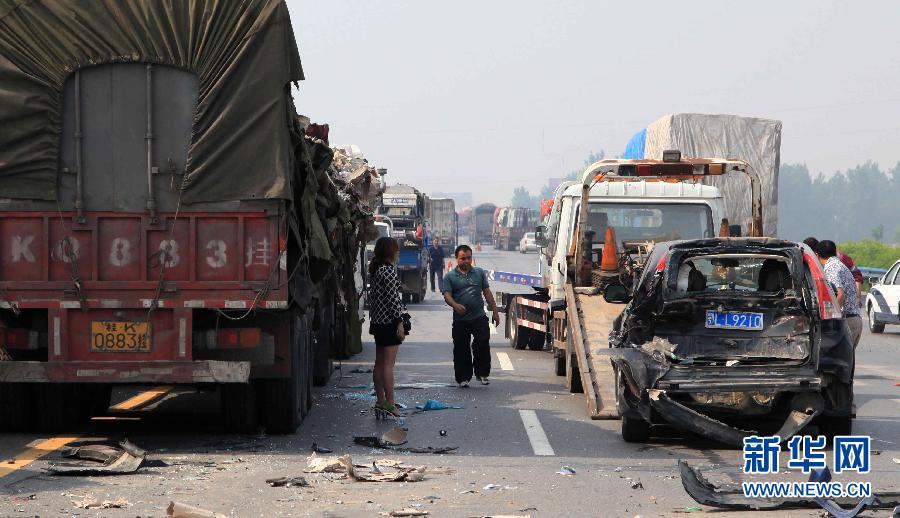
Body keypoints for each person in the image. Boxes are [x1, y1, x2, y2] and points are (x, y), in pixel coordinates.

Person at [442, 245, 500, 387]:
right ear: (456, 259)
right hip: (460, 320)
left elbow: (487, 292)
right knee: (461, 348)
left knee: (482, 343)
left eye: (469, 258)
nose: (466, 261)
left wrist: (495, 311)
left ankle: (482, 374)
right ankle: (463, 378)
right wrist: (455, 305)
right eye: (463, 258)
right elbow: (447, 295)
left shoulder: (479, 273)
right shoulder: (450, 277)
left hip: (479, 317)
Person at [367, 237, 406, 417]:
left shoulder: (376, 270)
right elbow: (393, 300)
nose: (397, 252)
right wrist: (399, 322)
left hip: (377, 322)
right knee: (388, 365)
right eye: (395, 249)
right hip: (389, 323)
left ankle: (381, 400)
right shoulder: (388, 271)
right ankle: (390, 404)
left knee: (379, 363)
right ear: (390, 252)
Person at [816, 240, 862, 348]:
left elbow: (840, 295)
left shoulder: (831, 268)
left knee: (837, 362)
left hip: (847, 322)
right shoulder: (840, 265)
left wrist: (830, 319)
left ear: (817, 255)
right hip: (854, 320)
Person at [804, 237, 863, 306]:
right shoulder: (836, 263)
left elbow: (840, 295)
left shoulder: (832, 267)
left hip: (846, 314)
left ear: (816, 254)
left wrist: (832, 313)